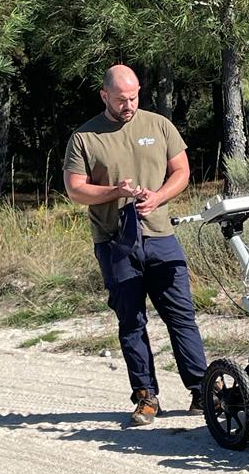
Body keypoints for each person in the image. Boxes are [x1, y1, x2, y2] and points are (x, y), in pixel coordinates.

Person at [63, 64, 208, 426]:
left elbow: (182, 172)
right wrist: (115, 192)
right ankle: (146, 396)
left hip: (161, 237)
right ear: (104, 96)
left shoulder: (159, 125)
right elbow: (75, 189)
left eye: (133, 97)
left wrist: (158, 197)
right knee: (131, 321)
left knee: (182, 316)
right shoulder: (84, 137)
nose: (128, 105)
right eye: (120, 99)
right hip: (116, 242)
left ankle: (203, 391)